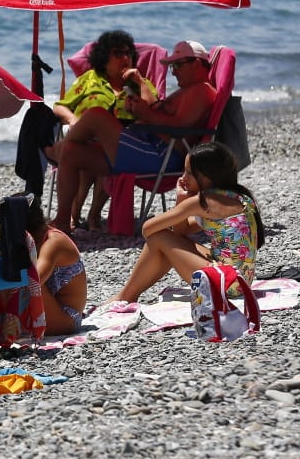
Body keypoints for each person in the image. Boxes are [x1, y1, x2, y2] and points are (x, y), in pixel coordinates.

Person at [45, 40, 217, 235]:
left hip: (160, 154)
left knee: (96, 115)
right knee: (71, 152)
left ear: (195, 63)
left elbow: (179, 127)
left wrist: (145, 114)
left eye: (177, 65)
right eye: (171, 67)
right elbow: (158, 110)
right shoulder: (188, 90)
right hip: (148, 147)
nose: (174, 71)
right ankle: (63, 221)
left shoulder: (202, 90)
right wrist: (143, 103)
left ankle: (54, 150)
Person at [110, 141, 263, 306]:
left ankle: (126, 296)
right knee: (167, 241)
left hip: (226, 283)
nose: (183, 178)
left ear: (206, 177)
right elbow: (182, 232)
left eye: (189, 173)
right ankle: (128, 294)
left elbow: (148, 229)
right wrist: (182, 200)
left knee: (159, 237)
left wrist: (182, 204)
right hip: (241, 280)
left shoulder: (203, 201)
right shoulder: (240, 197)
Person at [51, 29, 159, 231]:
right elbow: (59, 106)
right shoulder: (90, 79)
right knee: (80, 147)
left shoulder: (137, 83)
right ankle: (73, 216)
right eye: (118, 53)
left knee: (90, 149)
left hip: (122, 142)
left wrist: (140, 82)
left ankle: (91, 215)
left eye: (128, 53)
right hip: (85, 137)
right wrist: (73, 119)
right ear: (104, 57)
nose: (125, 58)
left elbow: (156, 110)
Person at [25, 202, 86, 336]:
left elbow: (34, 282)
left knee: (25, 278)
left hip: (67, 318)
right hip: (53, 309)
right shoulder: (39, 237)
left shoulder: (53, 242)